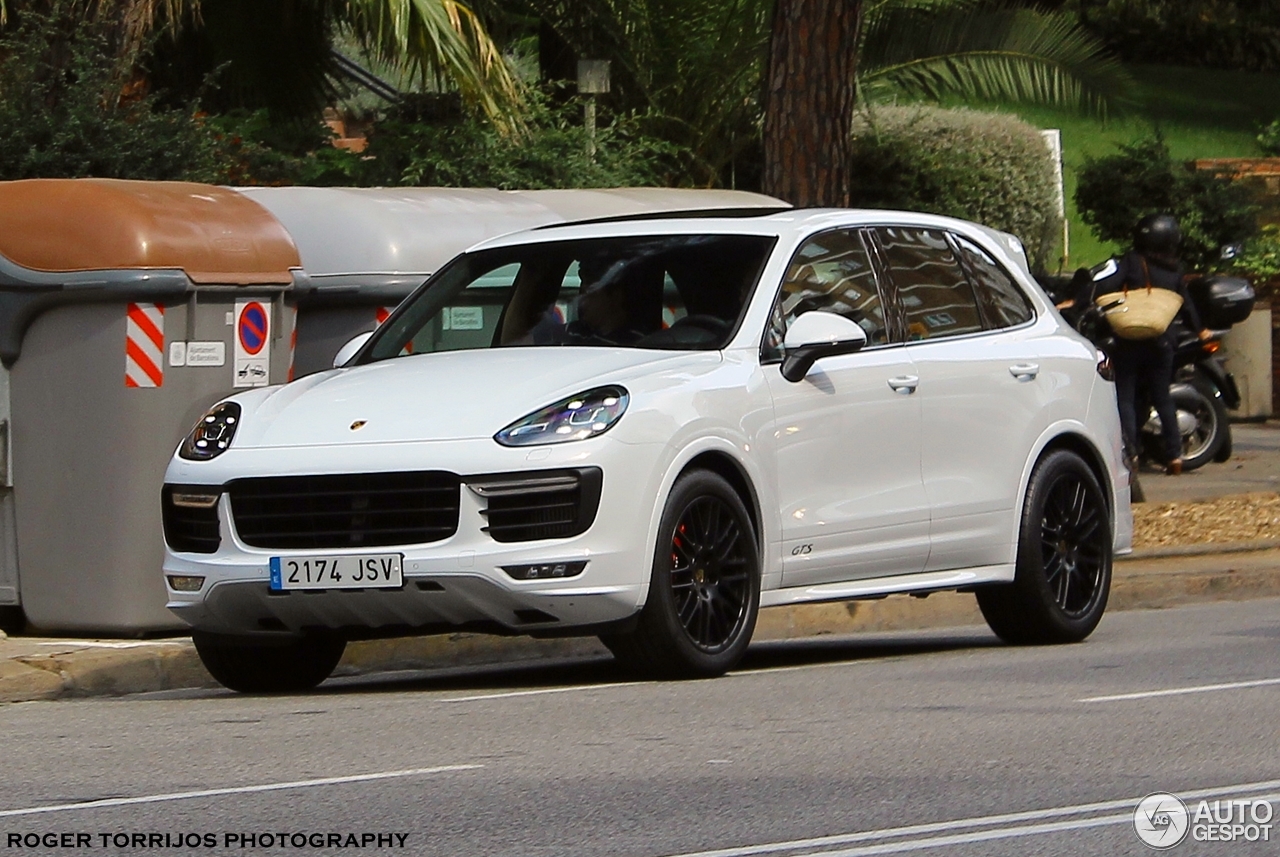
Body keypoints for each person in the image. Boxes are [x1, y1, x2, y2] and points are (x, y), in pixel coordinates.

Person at [1072, 213, 1213, 475]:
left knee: (1125, 396)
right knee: (1162, 397)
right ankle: (1174, 456)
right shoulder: (1174, 270)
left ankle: (1132, 453)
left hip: (1130, 340)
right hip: (1162, 342)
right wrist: (1201, 330)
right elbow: (1187, 305)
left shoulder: (1132, 262)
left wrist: (1078, 301)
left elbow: (1106, 286)